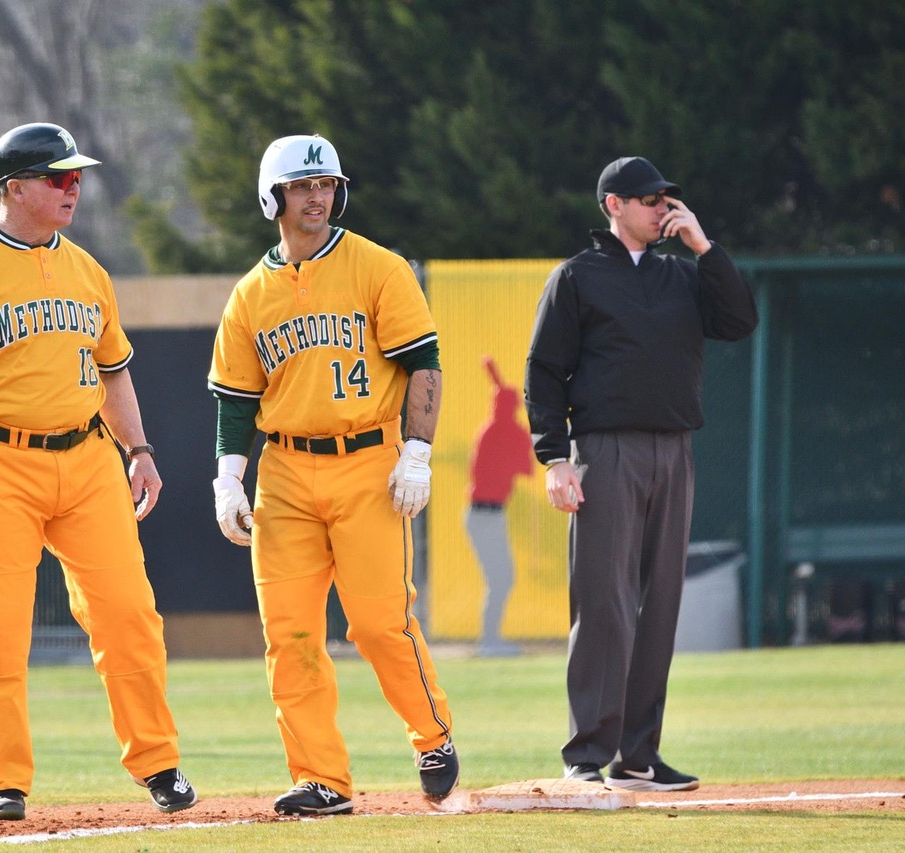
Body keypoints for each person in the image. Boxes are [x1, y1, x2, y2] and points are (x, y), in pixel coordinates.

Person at [0, 122, 197, 821]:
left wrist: (141, 450)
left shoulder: (87, 270)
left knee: (129, 613)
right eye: (58, 176)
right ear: (16, 188)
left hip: (87, 457)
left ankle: (158, 763)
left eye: (76, 175)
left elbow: (113, 371)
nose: (73, 187)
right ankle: (0, 781)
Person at [207, 134, 459, 816]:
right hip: (284, 471)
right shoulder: (250, 295)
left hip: (369, 462)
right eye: (302, 185)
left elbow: (423, 365)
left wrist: (417, 450)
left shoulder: (377, 267)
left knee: (379, 623)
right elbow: (235, 396)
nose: (316, 196)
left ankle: (432, 736)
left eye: (326, 185)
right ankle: (322, 776)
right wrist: (229, 477)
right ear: (274, 196)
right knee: (288, 634)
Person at [525, 156, 758, 792]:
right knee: (604, 603)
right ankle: (586, 756)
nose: (662, 208)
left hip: (674, 451)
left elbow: (739, 321)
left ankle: (637, 756)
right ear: (614, 205)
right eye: (650, 199)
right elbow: (544, 373)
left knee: (659, 607)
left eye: (666, 199)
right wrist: (554, 459)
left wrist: (705, 248)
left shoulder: (683, 275)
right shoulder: (577, 277)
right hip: (606, 451)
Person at [466, 356, 533, 657]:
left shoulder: (495, 431)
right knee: (501, 577)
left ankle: (490, 639)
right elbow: (525, 467)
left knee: (502, 577)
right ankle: (489, 642)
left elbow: (524, 469)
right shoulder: (497, 433)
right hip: (483, 514)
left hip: (490, 514)